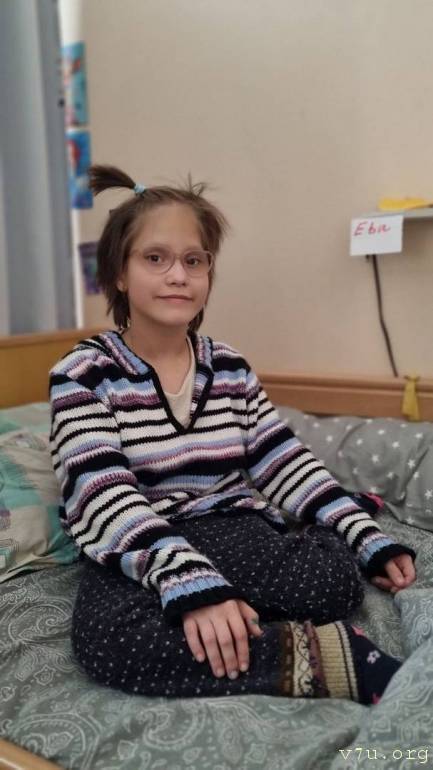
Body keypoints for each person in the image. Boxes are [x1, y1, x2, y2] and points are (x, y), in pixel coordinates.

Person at [49, 164, 416, 704]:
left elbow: (283, 460)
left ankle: (304, 548)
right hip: (140, 539)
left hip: (232, 528)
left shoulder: (229, 367)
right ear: (119, 274)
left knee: (333, 581)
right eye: (155, 258)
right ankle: (327, 657)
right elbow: (100, 494)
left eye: (194, 261)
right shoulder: (83, 373)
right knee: (106, 640)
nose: (179, 275)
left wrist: (359, 530)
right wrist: (188, 580)